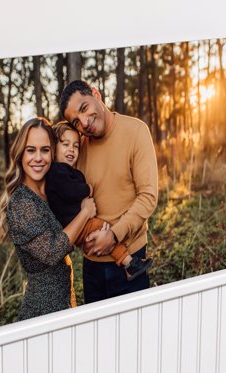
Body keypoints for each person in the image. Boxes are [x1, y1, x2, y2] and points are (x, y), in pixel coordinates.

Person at [59, 80, 158, 304]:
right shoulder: (77, 147)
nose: (84, 122)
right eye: (76, 121)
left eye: (84, 108)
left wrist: (113, 235)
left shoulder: (135, 131)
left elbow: (148, 196)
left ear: (96, 94)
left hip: (130, 263)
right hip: (91, 268)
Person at [0, 117, 96, 321]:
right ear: (20, 154)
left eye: (45, 150)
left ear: (53, 152)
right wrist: (85, 213)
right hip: (44, 309)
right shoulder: (22, 202)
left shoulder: (50, 191)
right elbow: (51, 251)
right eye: (31, 150)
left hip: (64, 299)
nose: (38, 158)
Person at [45, 121, 152, 281]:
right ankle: (129, 263)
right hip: (75, 224)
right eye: (65, 144)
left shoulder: (66, 170)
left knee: (101, 229)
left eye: (75, 146)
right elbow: (71, 191)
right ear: (54, 148)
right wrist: (88, 189)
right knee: (102, 228)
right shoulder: (57, 171)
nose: (71, 149)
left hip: (77, 223)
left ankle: (127, 262)